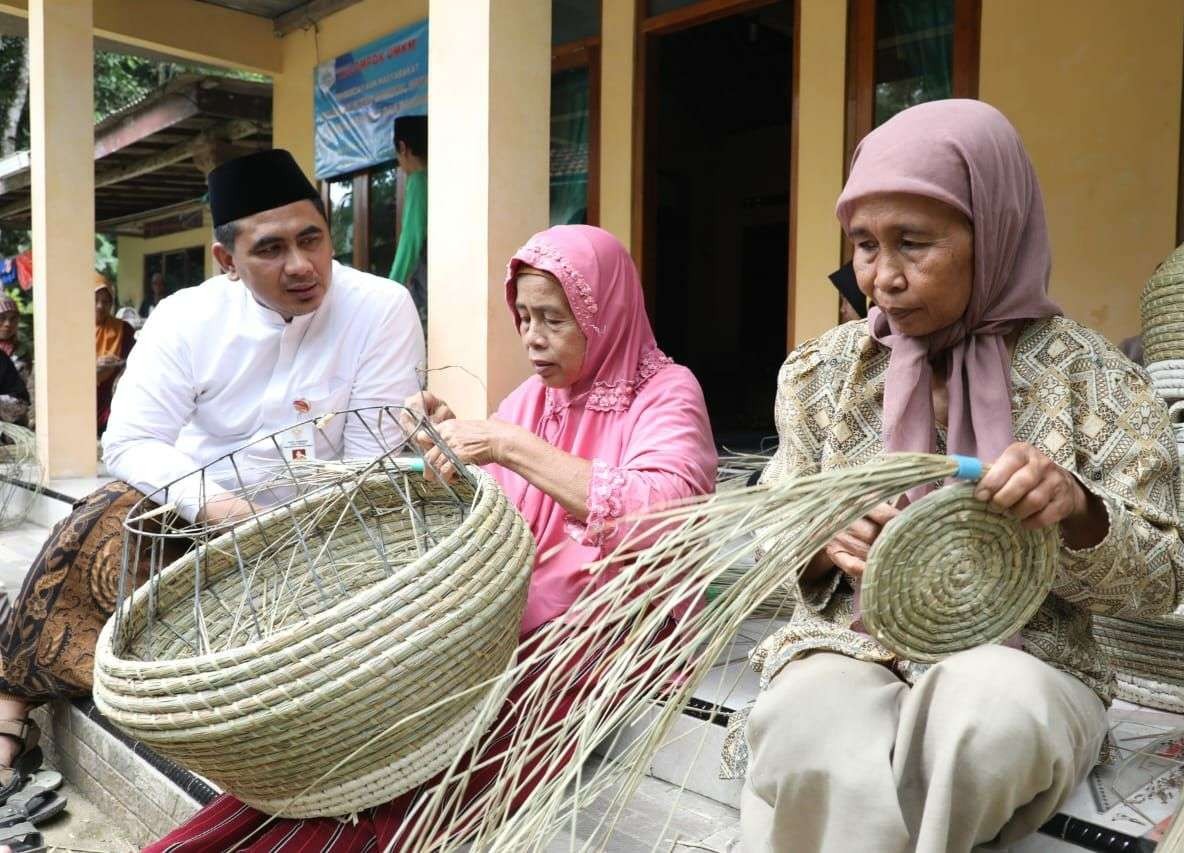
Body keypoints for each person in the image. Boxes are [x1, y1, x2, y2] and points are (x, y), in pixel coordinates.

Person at [146, 224, 719, 851]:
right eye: (523, 316)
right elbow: (492, 510)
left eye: (554, 319)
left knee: (421, 764)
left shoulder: (665, 392)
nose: (531, 337)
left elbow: (667, 514)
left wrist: (506, 443)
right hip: (502, 616)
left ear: (605, 313)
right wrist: (446, 446)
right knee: (360, 728)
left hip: (595, 634)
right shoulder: (532, 398)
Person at [728, 100, 1184, 853]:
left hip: (1029, 660)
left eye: (913, 243)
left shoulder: (1096, 379)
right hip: (852, 646)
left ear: (997, 230)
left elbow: (1166, 578)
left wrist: (1079, 511)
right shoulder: (823, 373)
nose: (882, 277)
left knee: (983, 720)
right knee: (809, 725)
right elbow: (764, 538)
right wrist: (818, 538)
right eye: (863, 244)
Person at [0, 149, 424, 834]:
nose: (302, 265)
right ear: (226, 260)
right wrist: (220, 508)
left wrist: (282, 531)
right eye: (272, 249)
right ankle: (9, 709)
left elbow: (369, 467)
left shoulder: (381, 307)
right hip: (194, 522)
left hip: (324, 539)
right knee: (102, 519)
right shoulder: (186, 317)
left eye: (313, 237)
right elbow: (131, 441)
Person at [389, 114, 428, 330]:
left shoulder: (419, 181)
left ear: (403, 147)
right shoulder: (443, 178)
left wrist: (391, 287)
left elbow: (410, 241)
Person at [93, 274, 135, 436]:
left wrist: (118, 364)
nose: (100, 306)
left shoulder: (124, 329)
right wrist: (92, 367)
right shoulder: (75, 329)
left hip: (112, 395)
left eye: (106, 301)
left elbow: (135, 361)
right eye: (95, 300)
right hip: (82, 396)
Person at [0, 296, 28, 427]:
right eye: (2, 318)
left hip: (13, 425)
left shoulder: (27, 350)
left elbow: (26, 395)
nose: (7, 324)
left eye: (13, 319)